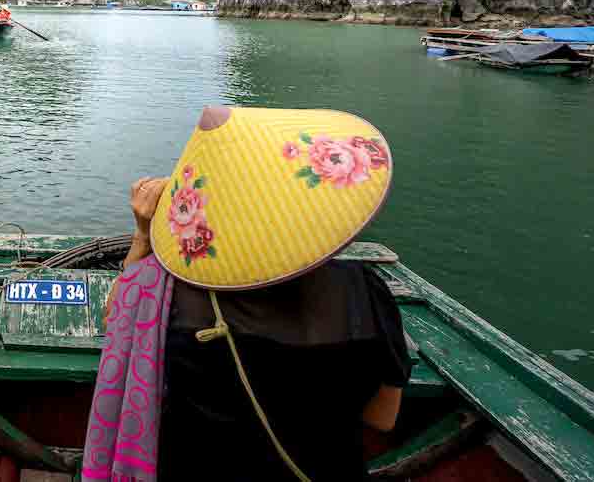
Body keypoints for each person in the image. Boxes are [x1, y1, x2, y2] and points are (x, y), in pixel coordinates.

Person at [84, 106, 408, 482]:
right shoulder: (364, 291)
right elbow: (382, 419)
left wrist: (143, 237)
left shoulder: (164, 290)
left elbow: (117, 324)